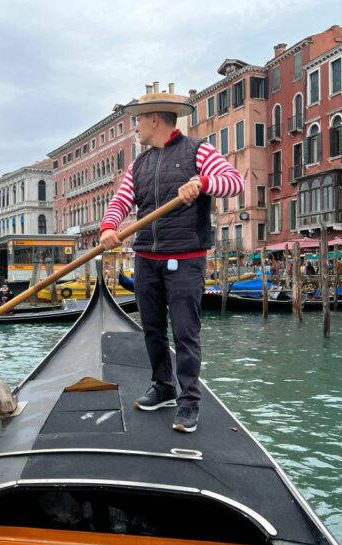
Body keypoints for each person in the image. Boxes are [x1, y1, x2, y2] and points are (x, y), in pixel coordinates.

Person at [99, 90, 244, 433]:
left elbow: (234, 182)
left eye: (138, 120)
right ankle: (163, 387)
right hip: (146, 257)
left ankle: (189, 400)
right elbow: (120, 201)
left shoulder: (198, 150)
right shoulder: (139, 165)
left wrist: (202, 182)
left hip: (185, 257)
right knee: (152, 329)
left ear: (154, 119)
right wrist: (108, 227)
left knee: (184, 332)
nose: (136, 127)